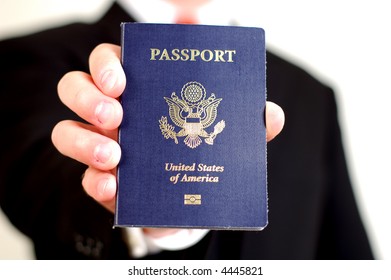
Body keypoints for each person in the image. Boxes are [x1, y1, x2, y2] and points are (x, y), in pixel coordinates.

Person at [0, 0, 374, 259]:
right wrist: (141, 205)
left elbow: (348, 258)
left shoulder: (310, 93)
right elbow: (41, 183)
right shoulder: (26, 59)